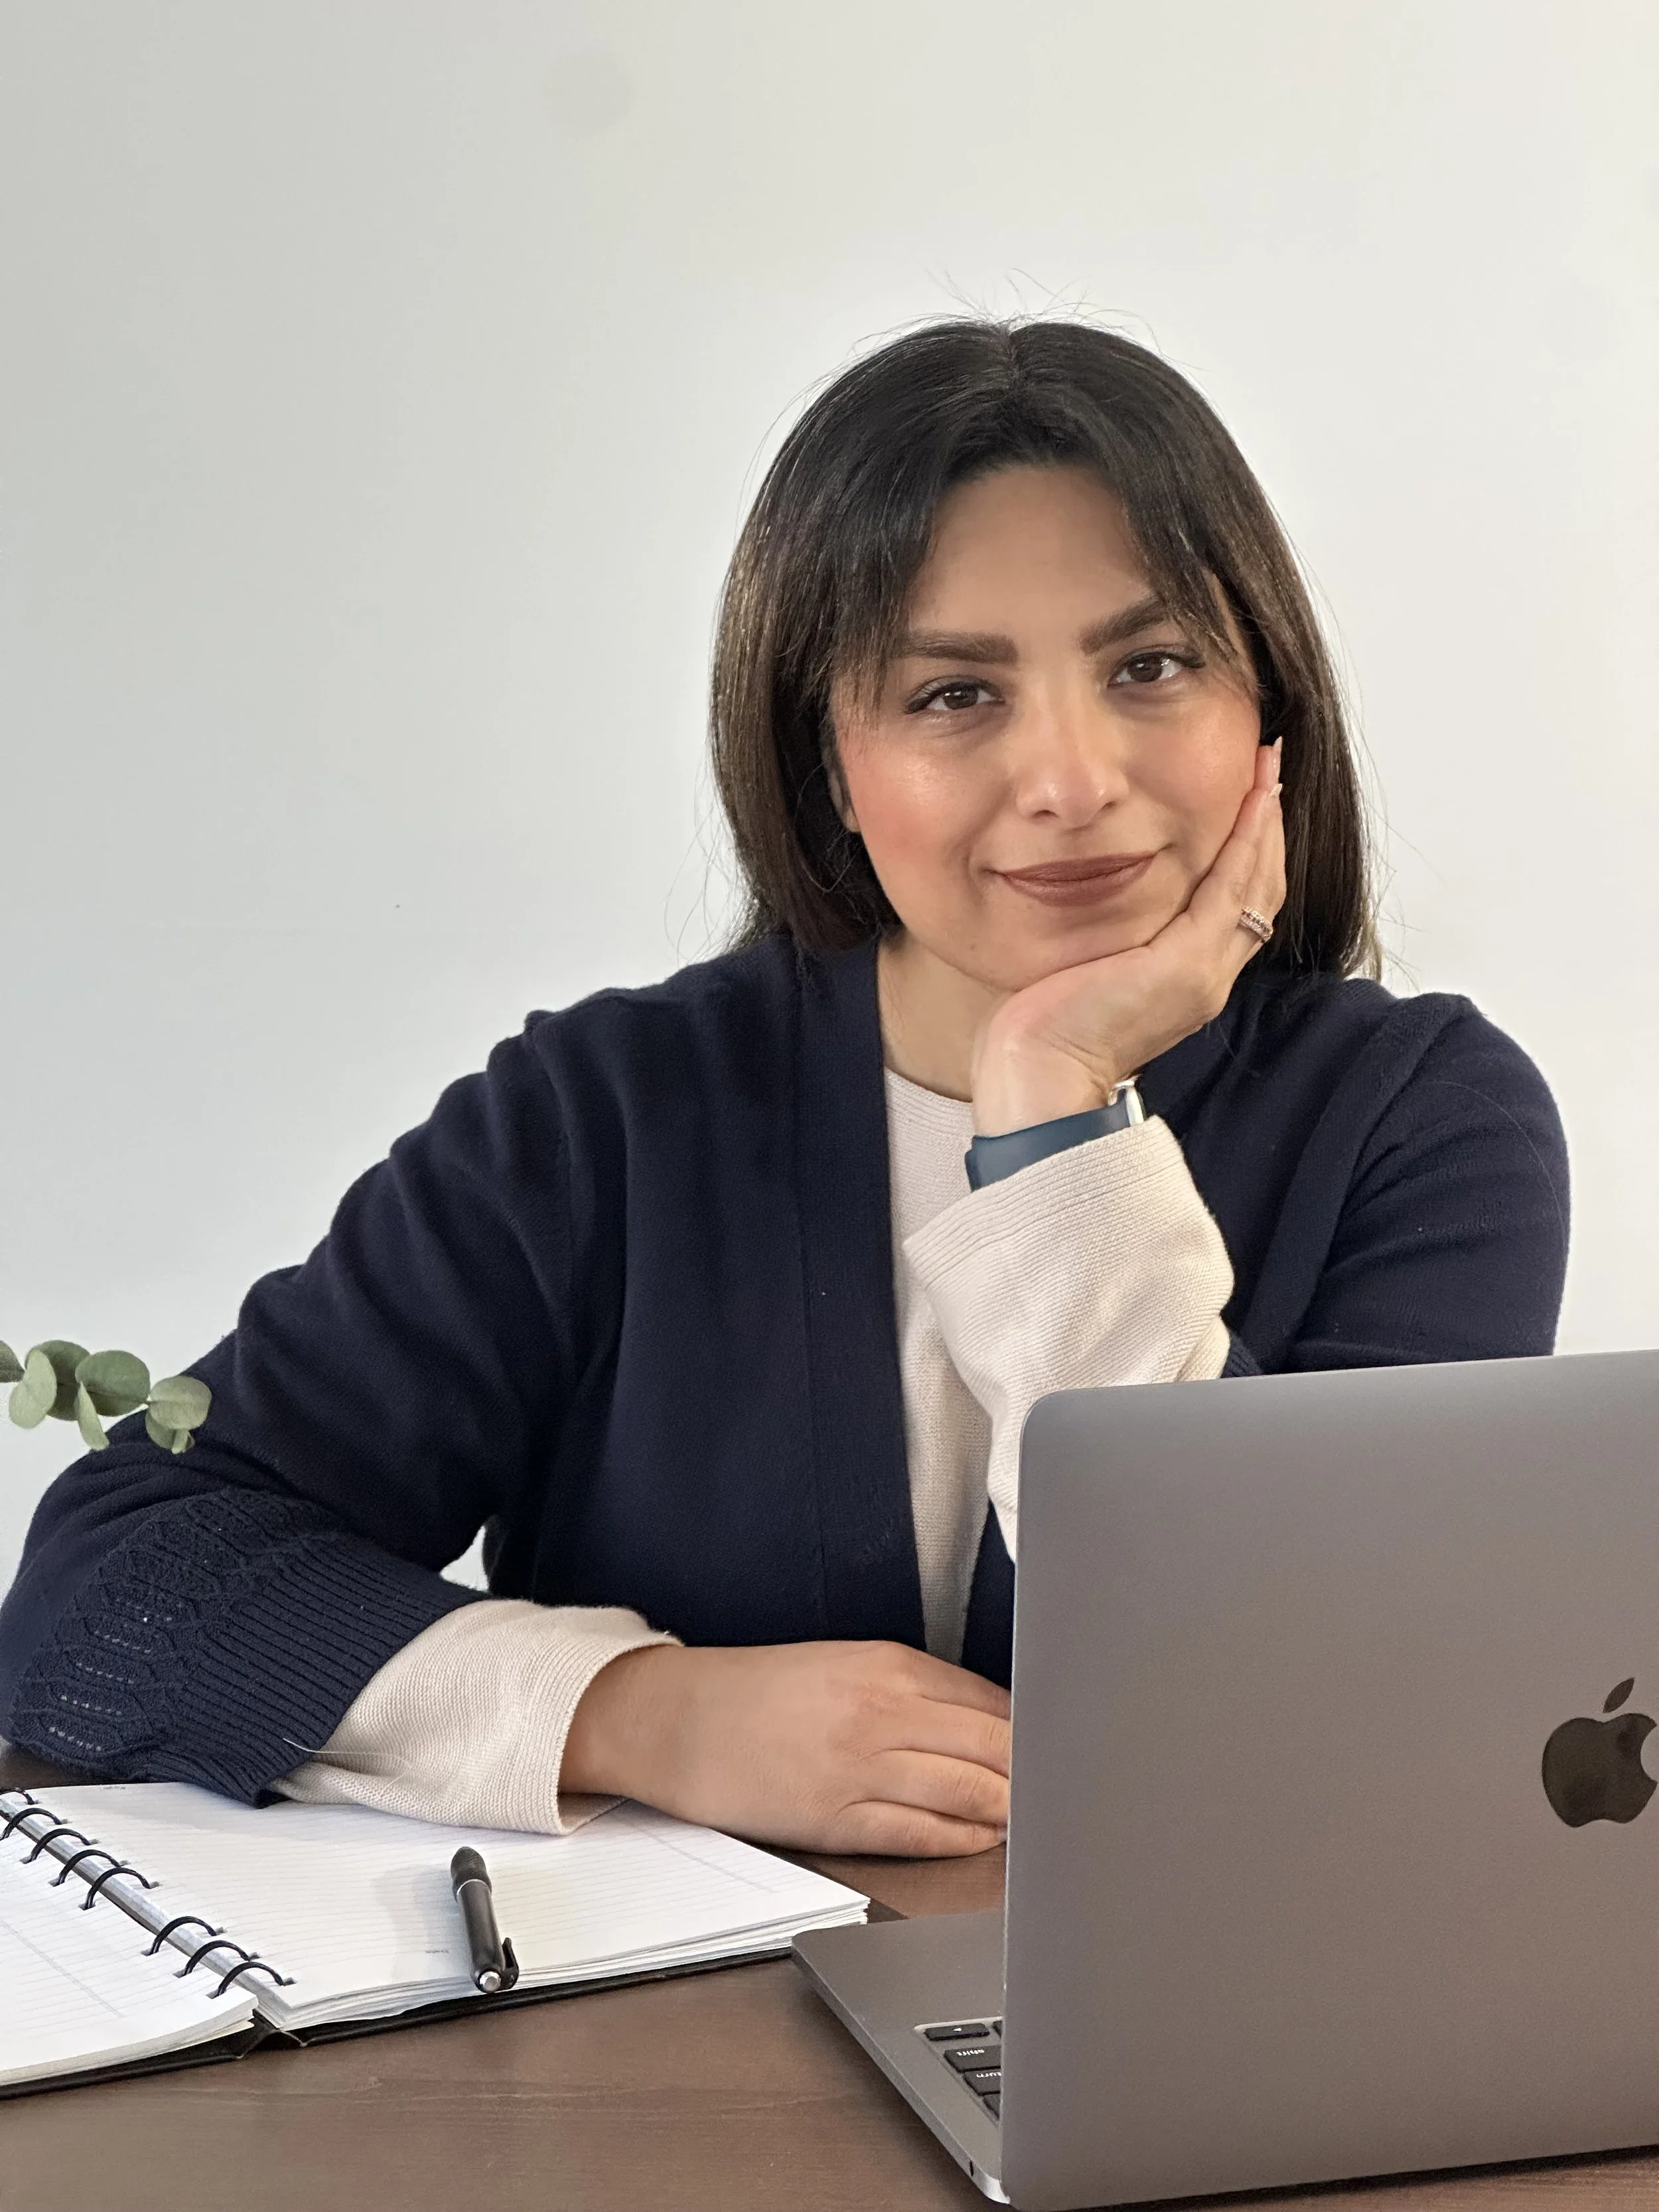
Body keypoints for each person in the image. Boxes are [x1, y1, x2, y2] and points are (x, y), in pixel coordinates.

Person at [0, 319, 1568, 1859]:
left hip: (1195, 2010)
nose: (1072, 780)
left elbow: (1298, 1699)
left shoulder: (1421, 1125)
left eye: (1150, 665)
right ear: (829, 764)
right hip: (665, 2023)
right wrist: (643, 1713)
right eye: (953, 694)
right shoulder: (600, 1116)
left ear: (1266, 711)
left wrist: (1053, 1105)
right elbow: (112, 1582)